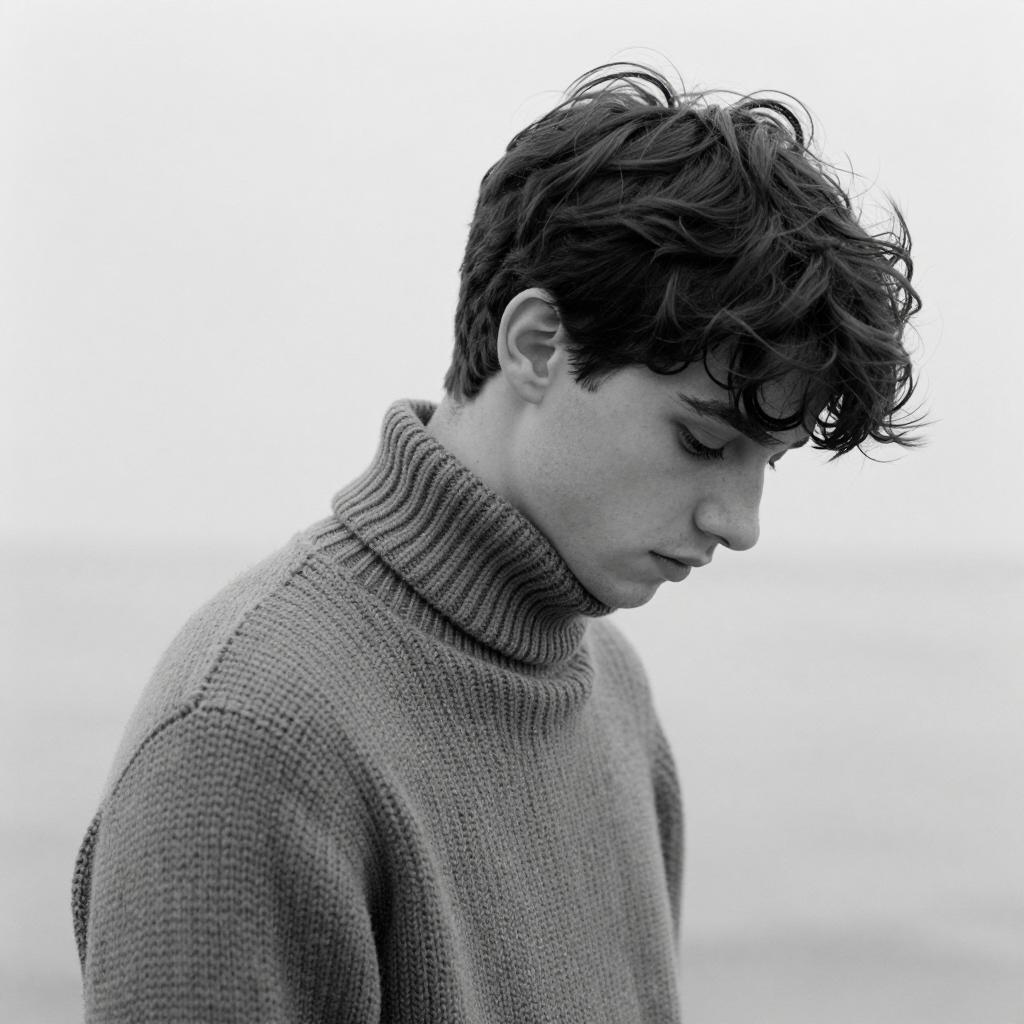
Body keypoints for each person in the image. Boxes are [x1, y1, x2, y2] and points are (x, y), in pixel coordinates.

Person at [71, 63, 920, 1021]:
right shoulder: (243, 740)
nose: (741, 521)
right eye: (702, 441)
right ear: (536, 345)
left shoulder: (612, 688)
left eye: (770, 460)